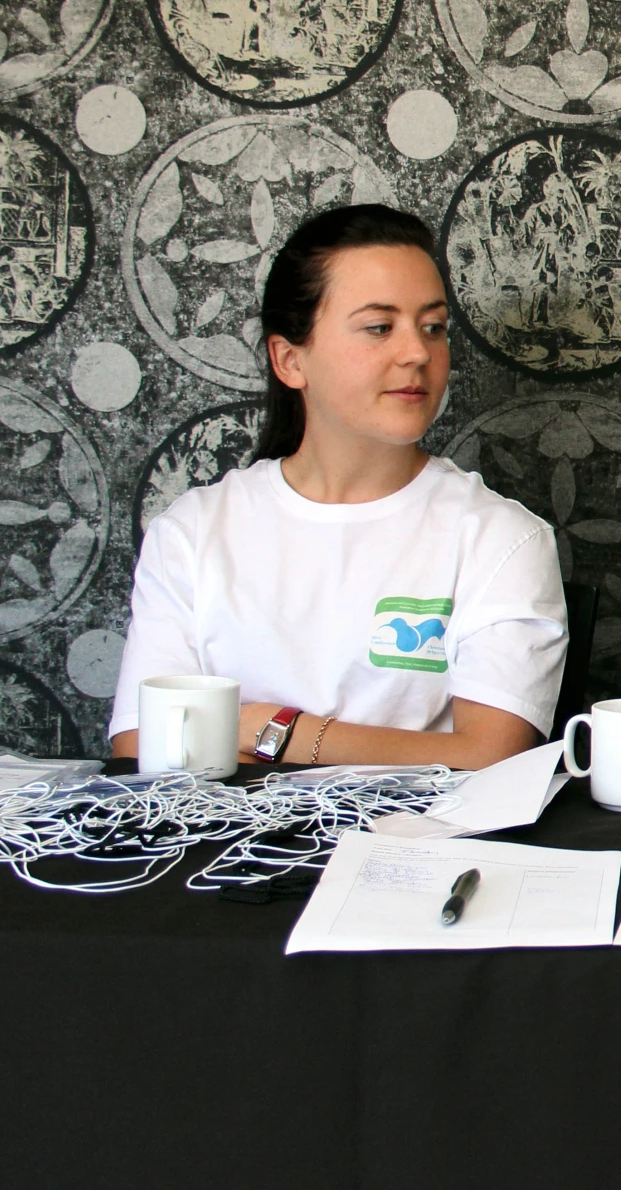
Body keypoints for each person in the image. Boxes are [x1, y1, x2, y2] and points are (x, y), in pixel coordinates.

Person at [111, 205, 567, 770]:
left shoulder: (501, 539)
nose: (418, 353)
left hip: (416, 850)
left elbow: (490, 756)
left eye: (433, 327)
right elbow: (139, 746)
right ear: (289, 359)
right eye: (380, 327)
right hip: (223, 852)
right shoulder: (194, 531)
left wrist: (271, 728)